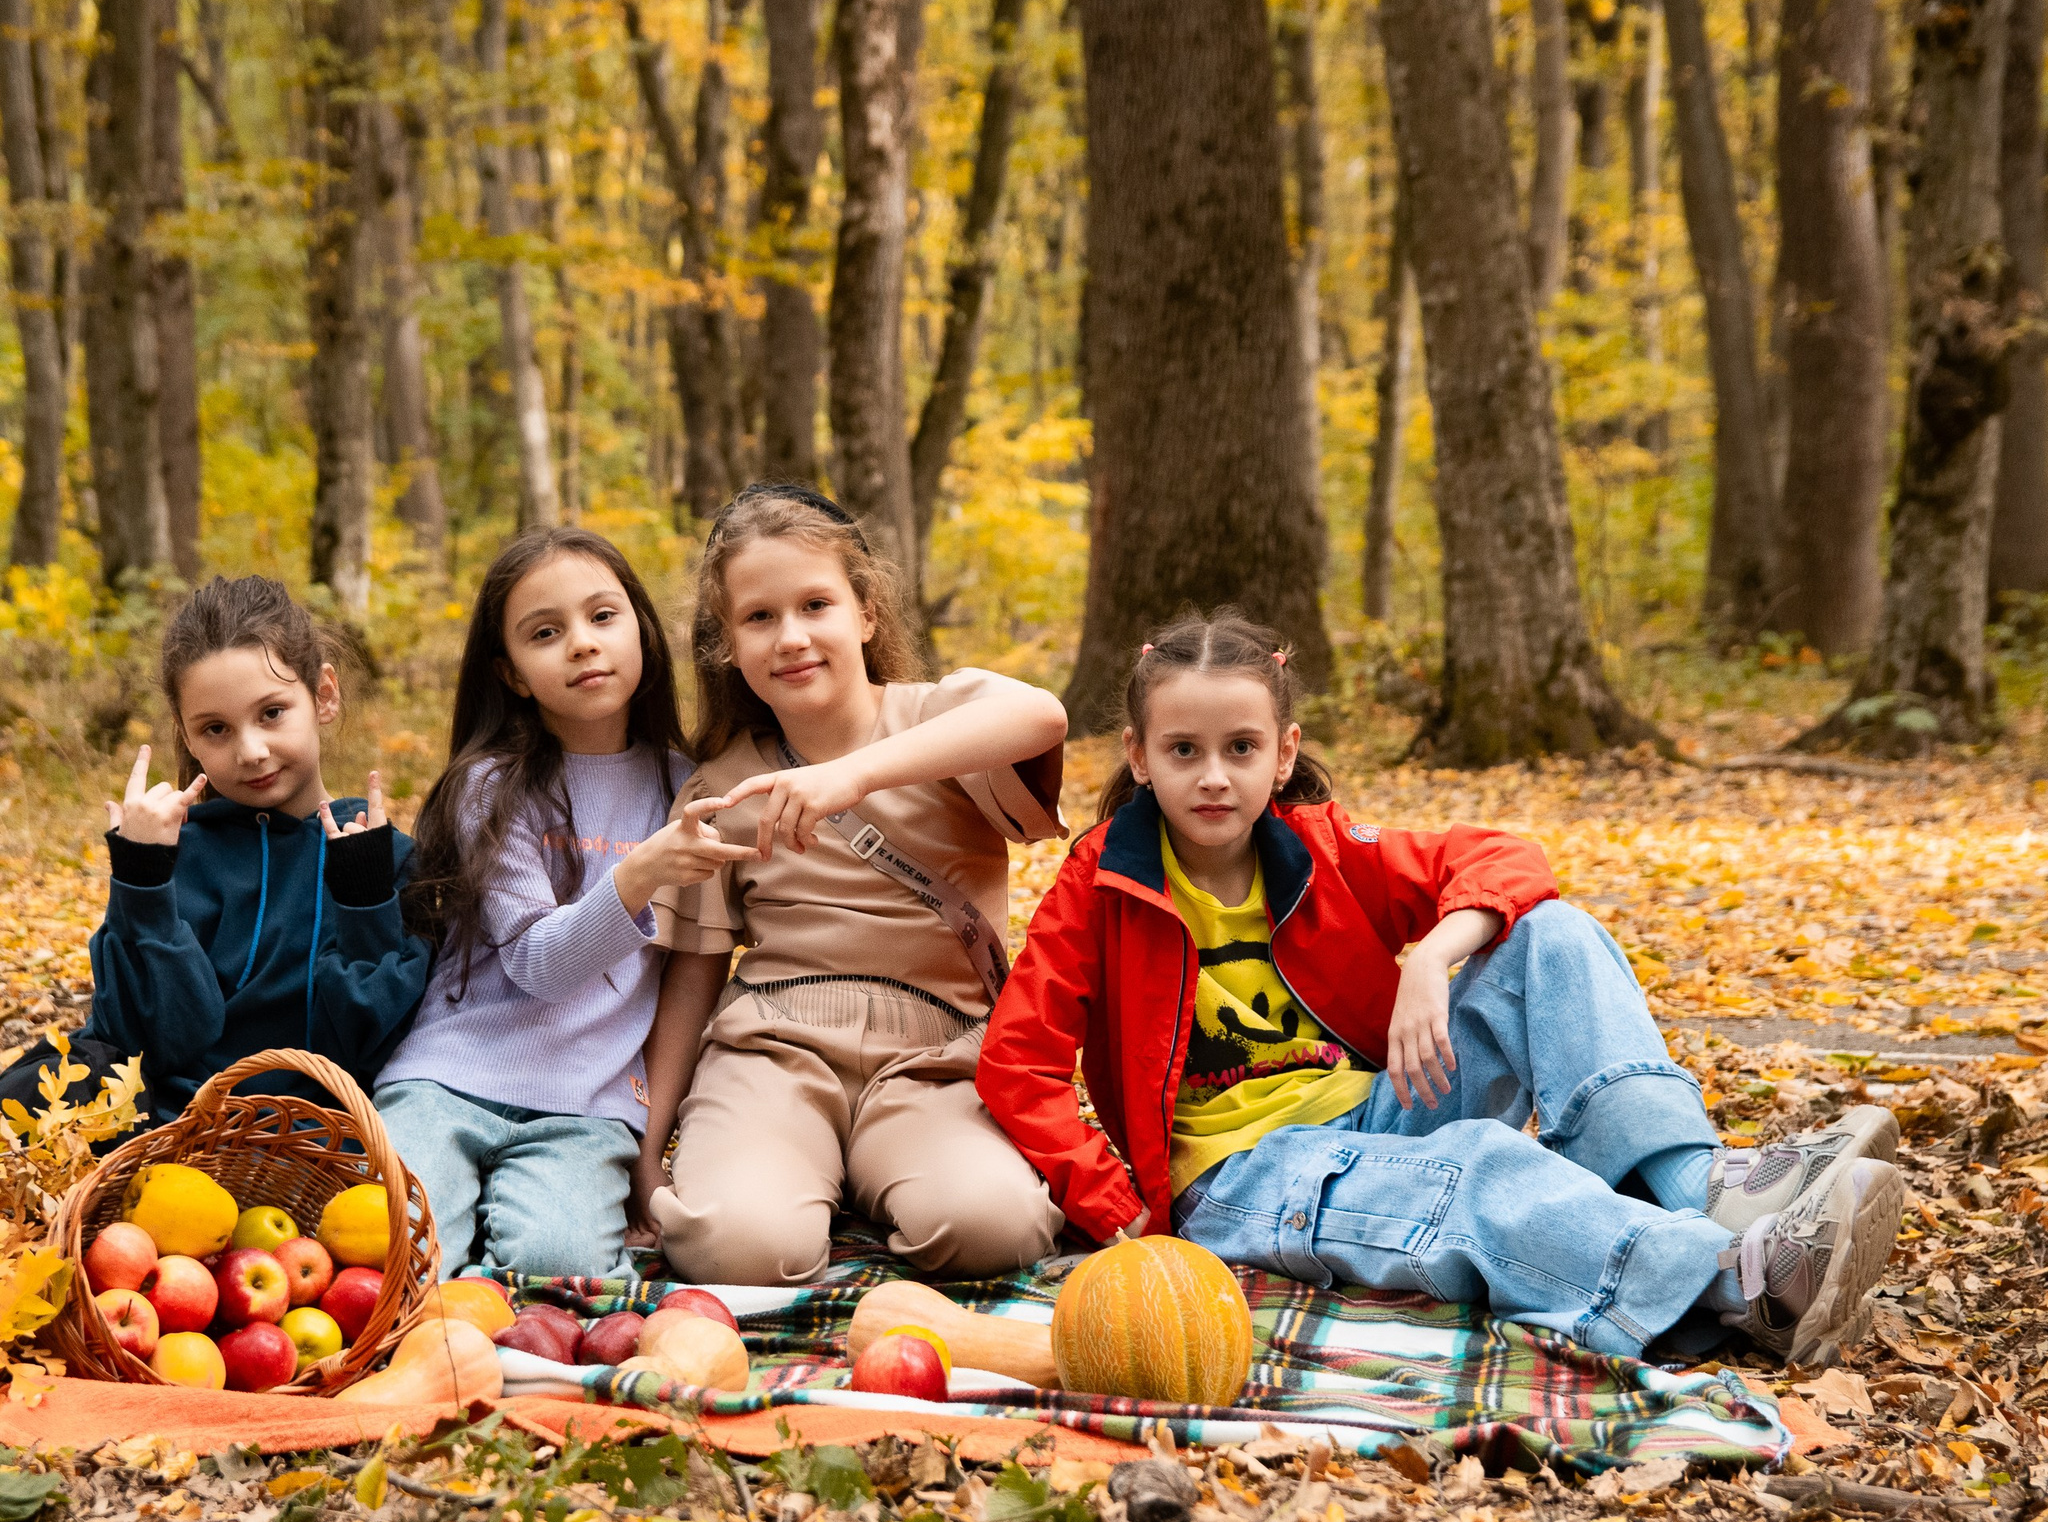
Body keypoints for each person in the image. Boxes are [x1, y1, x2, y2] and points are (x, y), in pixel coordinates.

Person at [976, 609, 1903, 1367]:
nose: (1214, 776)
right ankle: (1736, 1282)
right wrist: (1125, 1211)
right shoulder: (1100, 888)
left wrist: (1431, 956)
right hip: (1243, 1176)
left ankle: (1697, 1183)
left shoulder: (1322, 848)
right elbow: (1019, 1065)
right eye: (1184, 751)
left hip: (1381, 1108)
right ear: (1139, 756)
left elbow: (1508, 858)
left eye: (1241, 747)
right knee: (1476, 1166)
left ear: (1283, 752)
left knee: (1553, 933)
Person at [0, 575, 432, 1219]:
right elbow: (146, 1037)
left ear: (325, 696)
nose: (249, 750)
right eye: (215, 729)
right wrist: (145, 879)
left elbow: (366, 1043)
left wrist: (365, 899)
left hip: (298, 1153)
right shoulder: (178, 849)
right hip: (155, 1133)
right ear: (185, 734)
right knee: (78, 1068)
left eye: (272, 713)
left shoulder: (381, 857)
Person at [631, 484, 1072, 1285]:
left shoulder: (940, 723)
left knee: (992, 1228)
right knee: (736, 1246)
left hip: (936, 1055)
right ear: (728, 644)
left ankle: (872, 1173)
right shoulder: (719, 791)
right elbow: (692, 974)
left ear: (865, 614)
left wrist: (851, 776)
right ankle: (798, 1175)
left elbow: (1041, 715)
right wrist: (646, 1148)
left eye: (815, 604)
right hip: (775, 1049)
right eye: (759, 617)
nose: (791, 637)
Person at [376, 529, 753, 1277]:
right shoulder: (491, 787)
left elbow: (692, 971)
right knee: (403, 1257)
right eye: (546, 633)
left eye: (602, 617)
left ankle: (485, 1285)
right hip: (449, 1082)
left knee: (560, 1268)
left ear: (642, 631)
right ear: (511, 674)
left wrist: (650, 1141)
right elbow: (538, 964)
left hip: (587, 1106)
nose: (582, 644)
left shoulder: (685, 790)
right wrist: (640, 871)